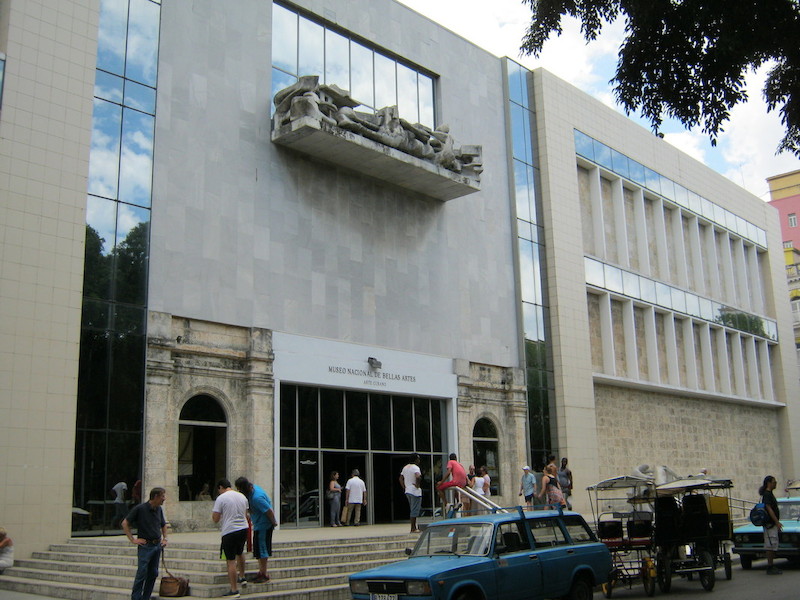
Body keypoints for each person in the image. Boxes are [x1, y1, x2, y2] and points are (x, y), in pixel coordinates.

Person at [121, 487, 168, 600]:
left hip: (157, 545)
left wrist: (165, 538)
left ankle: (146, 597)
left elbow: (163, 524)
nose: (164, 499)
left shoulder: (159, 509)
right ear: (156, 497)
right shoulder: (140, 509)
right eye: (162, 496)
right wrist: (133, 539)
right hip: (146, 546)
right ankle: (136, 597)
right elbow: (125, 523)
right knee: (142, 572)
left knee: (153, 573)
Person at [235, 477, 277, 584]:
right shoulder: (252, 490)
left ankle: (264, 574)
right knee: (258, 550)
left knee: (262, 549)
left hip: (264, 525)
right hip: (258, 524)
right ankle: (261, 572)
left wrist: (274, 522)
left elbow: (269, 511)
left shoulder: (257, 498)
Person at [212, 479, 250, 597]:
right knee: (240, 552)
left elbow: (216, 518)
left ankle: (234, 589)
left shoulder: (221, 498)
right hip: (243, 528)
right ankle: (242, 576)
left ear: (220, 487)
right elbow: (246, 514)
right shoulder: (242, 496)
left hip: (230, 530)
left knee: (230, 560)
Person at [760, 475, 783, 575]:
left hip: (771, 524)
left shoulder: (769, 494)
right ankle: (770, 566)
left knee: (773, 544)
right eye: (774, 482)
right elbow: (769, 509)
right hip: (770, 524)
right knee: (770, 545)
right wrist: (776, 522)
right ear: (769, 483)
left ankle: (772, 565)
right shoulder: (767, 495)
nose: (775, 483)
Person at [399, 453, 423, 533]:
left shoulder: (405, 467)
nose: (419, 460)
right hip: (414, 491)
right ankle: (413, 528)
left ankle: (413, 527)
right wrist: (417, 485)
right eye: (418, 459)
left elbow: (400, 478)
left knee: (412, 508)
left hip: (408, 490)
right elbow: (418, 476)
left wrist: (404, 486)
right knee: (415, 509)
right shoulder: (415, 468)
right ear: (415, 459)